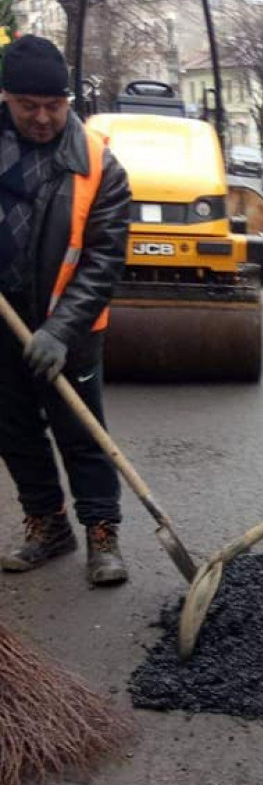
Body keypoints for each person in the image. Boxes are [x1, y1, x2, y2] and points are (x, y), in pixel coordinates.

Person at [0, 34, 131, 585]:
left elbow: (104, 259)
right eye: (29, 106)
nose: (42, 118)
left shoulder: (99, 165)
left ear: (68, 101)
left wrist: (59, 329)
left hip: (70, 326)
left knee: (81, 430)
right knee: (14, 430)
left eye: (54, 106)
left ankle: (102, 533)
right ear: (6, 98)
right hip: (3, 322)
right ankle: (48, 526)